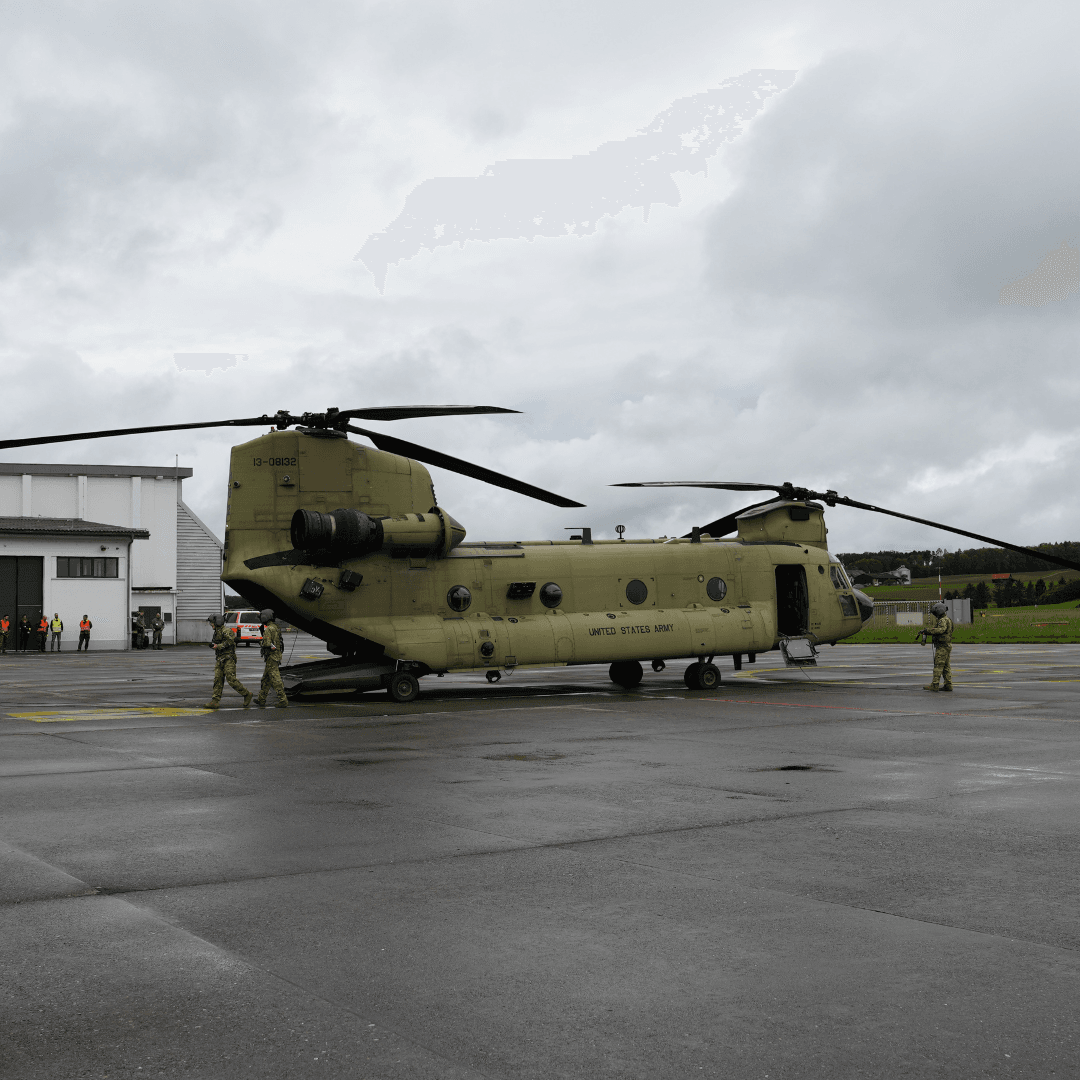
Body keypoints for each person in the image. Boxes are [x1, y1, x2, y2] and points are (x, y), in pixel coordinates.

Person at [202, 614, 252, 710]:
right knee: (218, 680)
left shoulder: (226, 631)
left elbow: (230, 642)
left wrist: (218, 646)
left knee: (231, 680)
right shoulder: (217, 632)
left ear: (217, 622)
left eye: (212, 622)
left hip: (228, 659)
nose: (211, 624)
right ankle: (215, 701)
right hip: (220, 659)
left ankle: (247, 694)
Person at [254, 609, 289, 709]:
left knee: (275, 679)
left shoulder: (269, 629)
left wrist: (260, 642)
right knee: (266, 679)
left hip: (272, 657)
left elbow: (266, 643)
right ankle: (261, 699)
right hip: (275, 656)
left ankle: (283, 700)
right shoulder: (275, 627)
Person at [922, 601, 954, 692]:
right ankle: (948, 684)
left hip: (943, 646)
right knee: (946, 666)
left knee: (938, 665)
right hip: (946, 645)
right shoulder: (947, 619)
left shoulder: (943, 620)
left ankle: (935, 684)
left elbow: (941, 630)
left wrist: (929, 631)